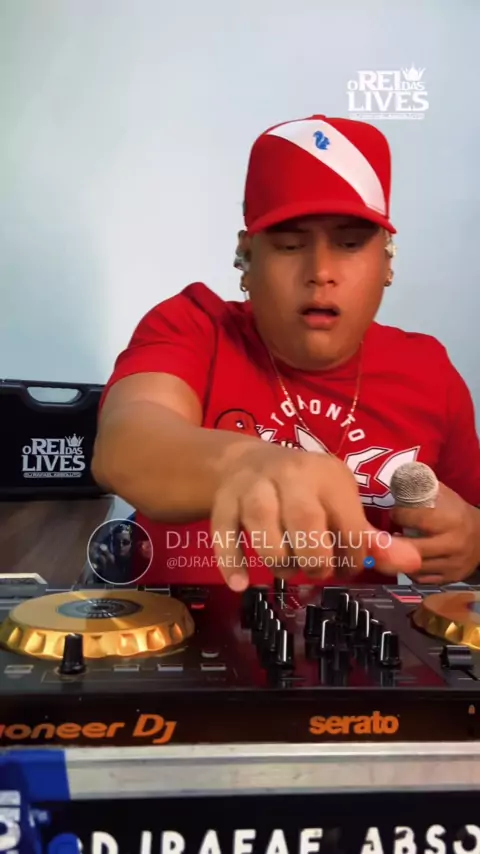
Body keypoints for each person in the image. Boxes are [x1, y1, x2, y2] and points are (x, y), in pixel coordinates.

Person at [92, 113, 480, 592]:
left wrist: (473, 541)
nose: (320, 271)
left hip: (350, 636)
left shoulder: (428, 371)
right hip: (179, 626)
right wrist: (246, 464)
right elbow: (126, 445)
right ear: (246, 257)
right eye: (291, 245)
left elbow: (469, 519)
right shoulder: (193, 326)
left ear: (387, 260)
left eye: (350, 244)